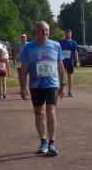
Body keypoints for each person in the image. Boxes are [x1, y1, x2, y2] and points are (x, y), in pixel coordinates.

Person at [19, 21, 66, 156]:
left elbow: (60, 65)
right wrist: (23, 87)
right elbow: (23, 69)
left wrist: (63, 84)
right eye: (41, 30)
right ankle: (43, 141)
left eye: (46, 30)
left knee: (51, 110)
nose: (44, 32)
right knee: (39, 113)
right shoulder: (28, 48)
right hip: (36, 85)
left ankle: (52, 143)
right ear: (36, 32)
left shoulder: (56, 45)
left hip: (52, 84)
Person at [59, 28, 79, 97]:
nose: (67, 34)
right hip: (62, 62)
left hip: (70, 62)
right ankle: (61, 90)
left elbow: (75, 52)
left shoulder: (74, 43)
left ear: (71, 34)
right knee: (61, 76)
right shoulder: (61, 42)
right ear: (65, 34)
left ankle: (70, 91)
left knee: (69, 76)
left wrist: (77, 61)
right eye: (66, 33)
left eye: (69, 33)